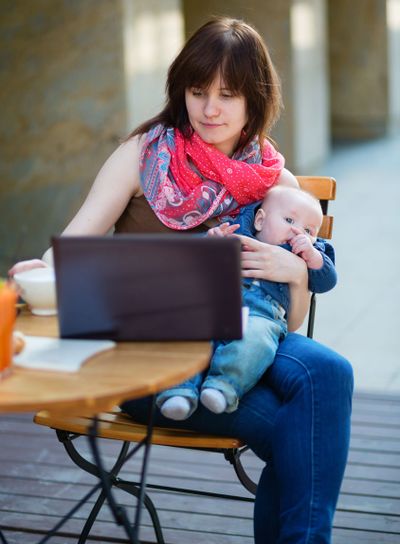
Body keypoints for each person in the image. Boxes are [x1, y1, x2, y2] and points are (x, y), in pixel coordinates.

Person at [9, 17, 353, 543]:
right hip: (156, 356)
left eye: (227, 94)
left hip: (244, 341)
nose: (209, 109)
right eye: (197, 91)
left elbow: (292, 320)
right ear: (180, 90)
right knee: (297, 429)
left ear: (253, 100)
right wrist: (42, 270)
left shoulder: (271, 180)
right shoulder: (144, 154)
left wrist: (295, 274)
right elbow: (76, 244)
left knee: (329, 372)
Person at [158, 185, 337, 420]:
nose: (297, 232)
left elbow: (327, 280)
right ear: (260, 220)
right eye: (289, 219)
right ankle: (178, 390)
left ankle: (223, 387)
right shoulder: (235, 231)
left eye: (308, 230)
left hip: (262, 314)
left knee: (257, 341)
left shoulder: (309, 253)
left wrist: (312, 258)